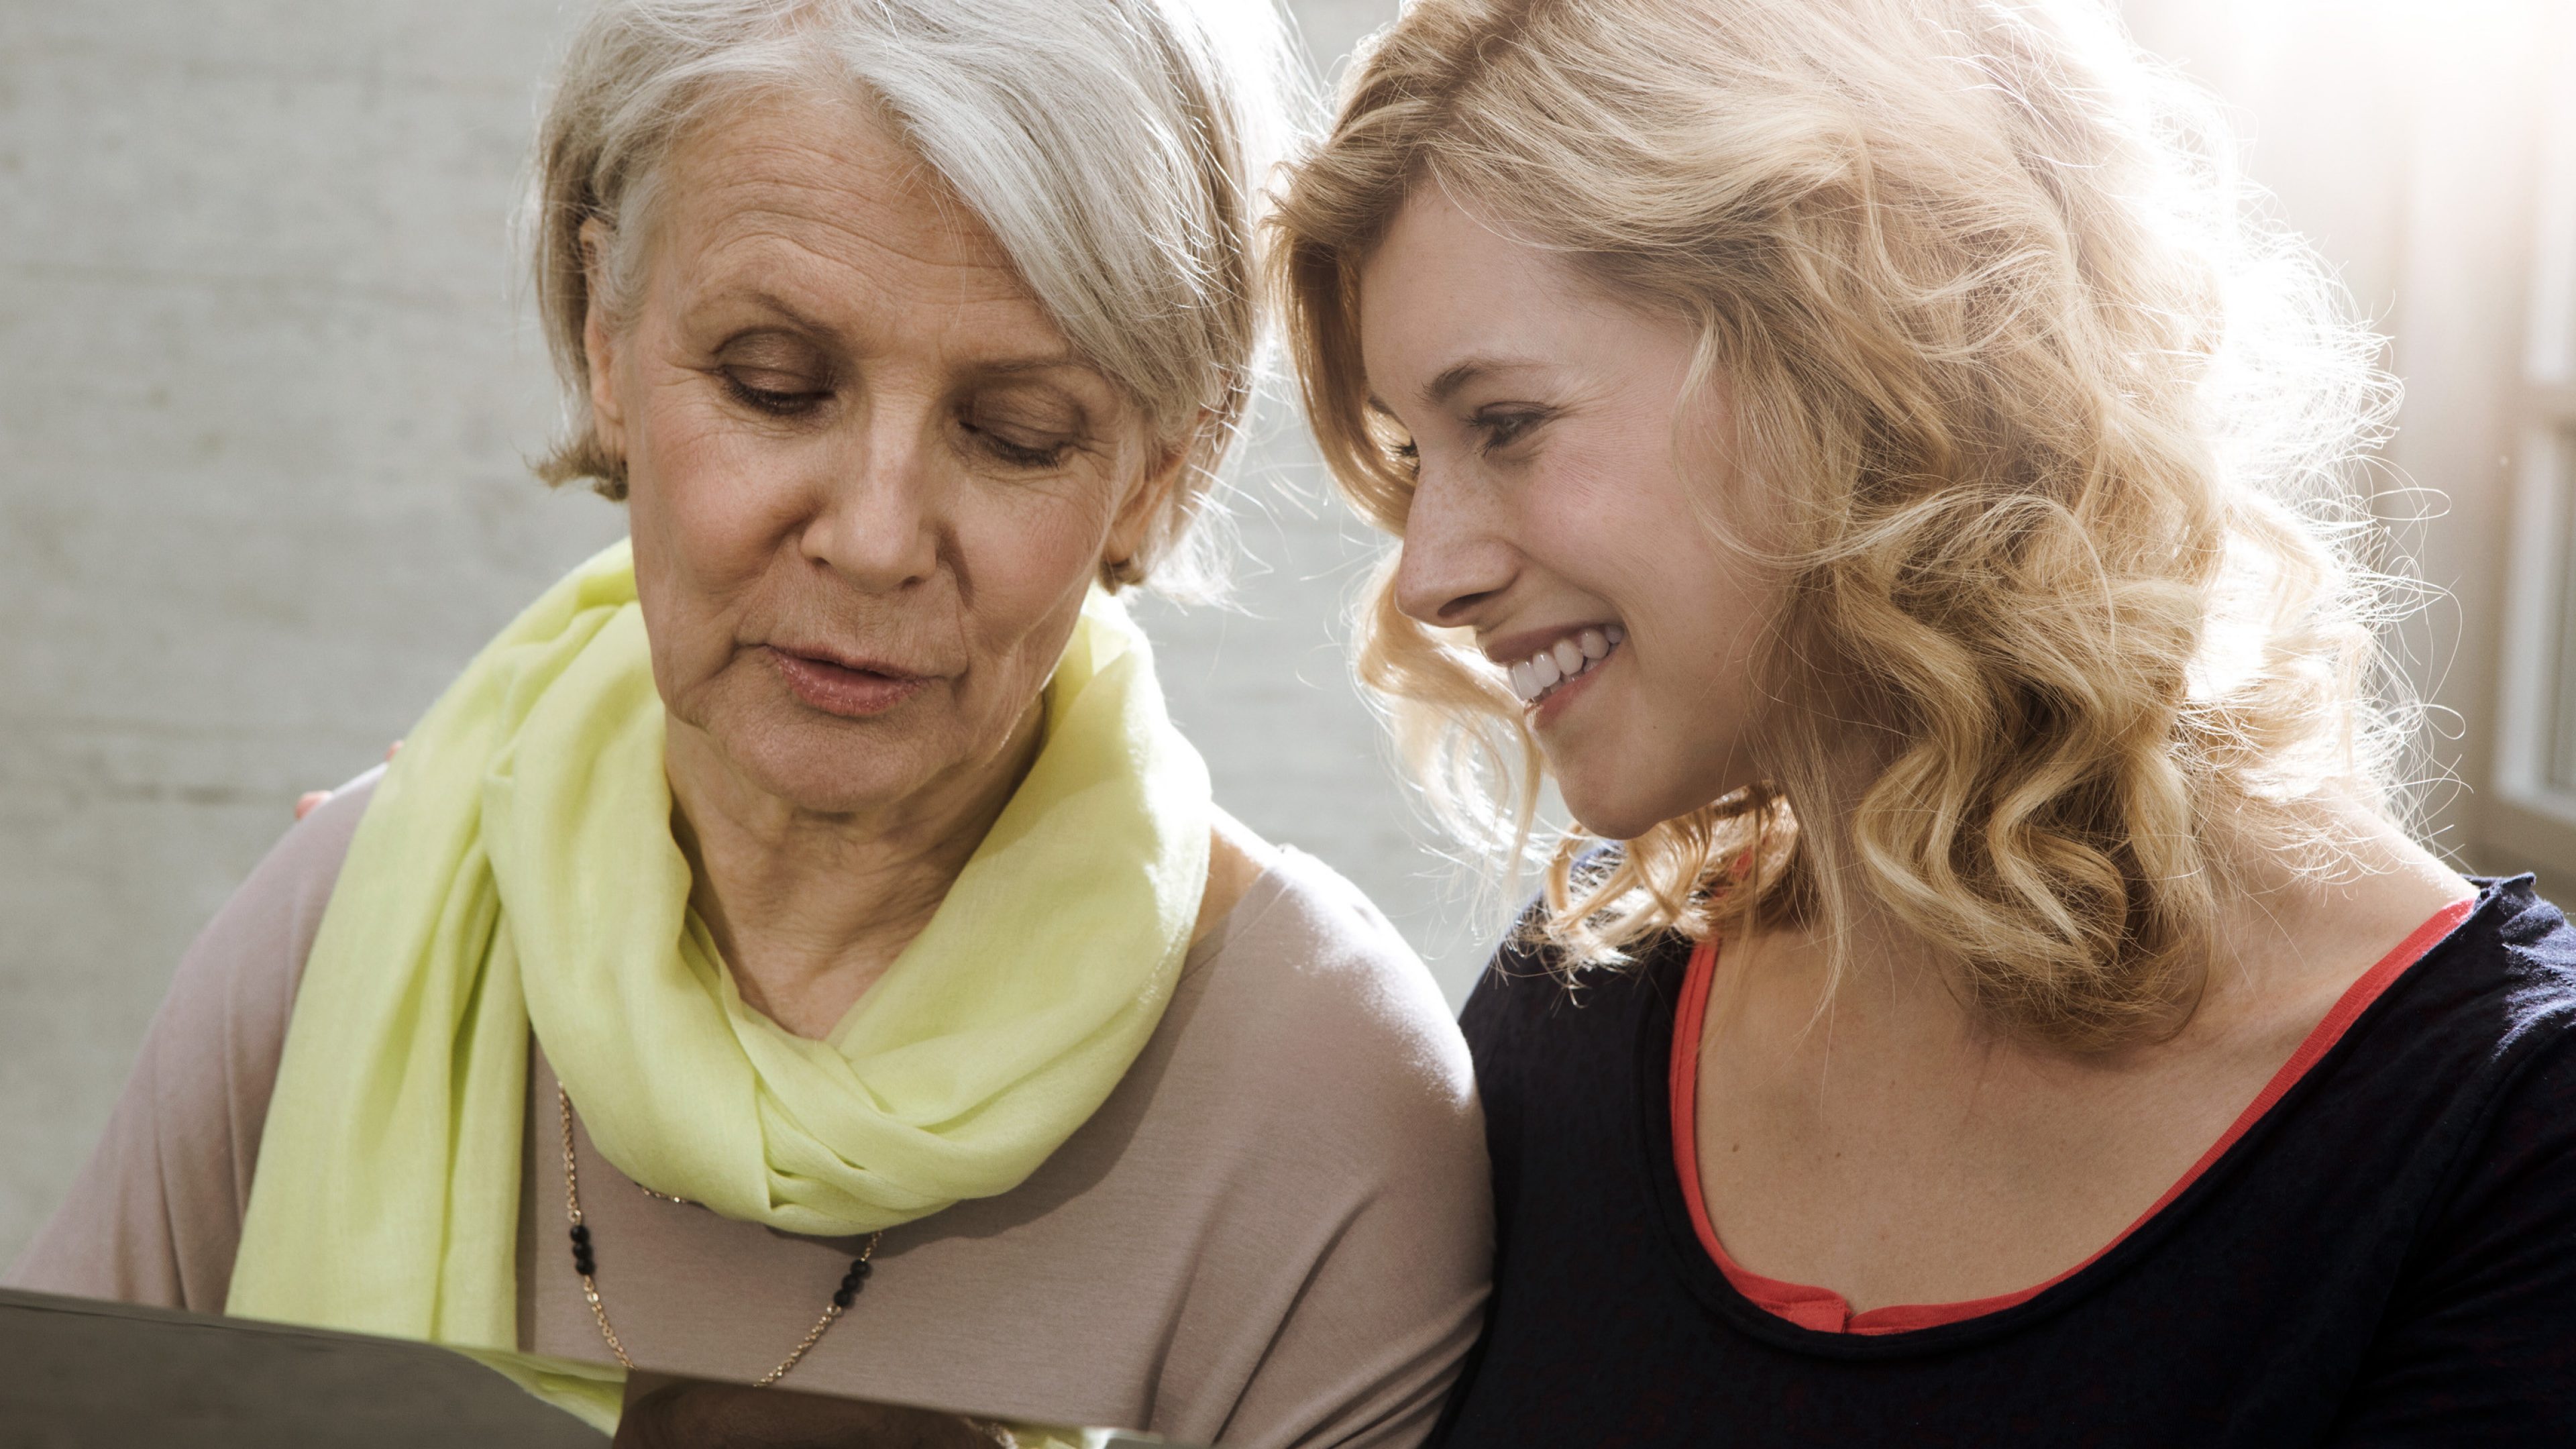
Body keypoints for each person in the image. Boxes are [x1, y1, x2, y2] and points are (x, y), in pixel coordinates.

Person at [6, 1, 1492, 1443]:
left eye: (1014, 433)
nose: (874, 534)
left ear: (1164, 469)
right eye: (775, 386)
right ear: (606, 339)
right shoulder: (349, 920)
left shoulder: (1321, 1101)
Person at [1269, 0, 2576, 1442]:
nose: (1429, 573)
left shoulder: (2505, 1140)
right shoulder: (1589, 997)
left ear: (1853, 346)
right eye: (1411, 453)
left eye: (1506, 423)